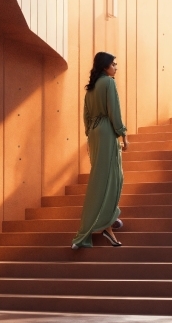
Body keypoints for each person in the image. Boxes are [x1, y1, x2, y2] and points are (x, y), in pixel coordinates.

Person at [71, 52, 129, 250]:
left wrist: (91, 133)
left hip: (94, 134)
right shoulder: (109, 83)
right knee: (114, 178)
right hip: (106, 132)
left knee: (100, 179)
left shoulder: (90, 88)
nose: (116, 67)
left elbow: (86, 117)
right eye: (113, 64)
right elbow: (114, 110)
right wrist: (123, 134)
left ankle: (109, 218)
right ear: (105, 66)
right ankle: (105, 224)